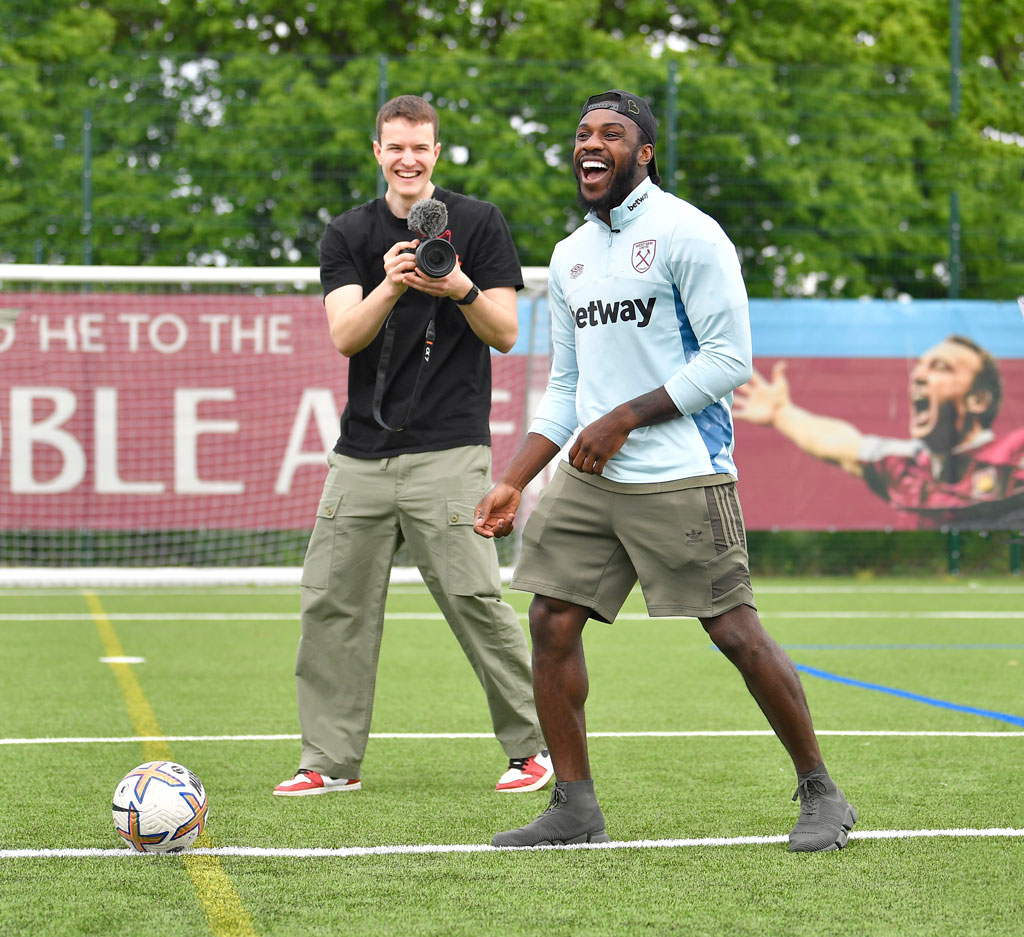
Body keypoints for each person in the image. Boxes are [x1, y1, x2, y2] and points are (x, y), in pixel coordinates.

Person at [473, 90, 856, 851]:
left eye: (611, 134)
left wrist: (623, 420)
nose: (592, 144)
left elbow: (729, 361)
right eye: (582, 132)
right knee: (551, 620)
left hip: (682, 469)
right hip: (590, 476)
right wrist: (515, 476)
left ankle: (822, 790)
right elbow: (565, 389)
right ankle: (575, 806)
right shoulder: (570, 255)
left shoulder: (689, 233)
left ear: (643, 153)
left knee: (735, 630)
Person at [274, 95, 552, 797]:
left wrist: (456, 284)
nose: (408, 159)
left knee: (476, 598)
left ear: (436, 152)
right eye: (395, 147)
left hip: (450, 451)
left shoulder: (481, 223)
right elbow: (345, 336)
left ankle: (534, 750)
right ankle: (329, 762)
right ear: (378, 152)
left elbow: (505, 331)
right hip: (359, 455)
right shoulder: (347, 234)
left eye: (420, 147)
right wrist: (393, 284)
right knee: (332, 603)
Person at [733, 336, 1024, 529]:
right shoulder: (906, 467)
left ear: (978, 401)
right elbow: (840, 443)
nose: (917, 376)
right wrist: (782, 414)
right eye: (919, 367)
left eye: (941, 367)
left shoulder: (1014, 456)